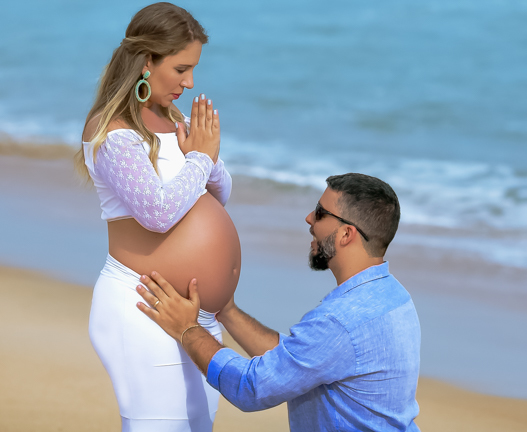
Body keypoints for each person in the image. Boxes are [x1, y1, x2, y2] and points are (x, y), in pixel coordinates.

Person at [135, 173, 421, 432]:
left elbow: (250, 387)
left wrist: (187, 329)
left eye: (321, 213)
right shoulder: (396, 298)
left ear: (347, 234)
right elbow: (300, 360)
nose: (309, 218)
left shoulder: (340, 321)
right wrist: (227, 311)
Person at [78, 2, 242, 432]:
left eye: (194, 70)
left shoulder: (175, 120)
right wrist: (200, 160)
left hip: (194, 314)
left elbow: (220, 193)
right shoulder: (112, 132)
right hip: (143, 305)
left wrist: (205, 159)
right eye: (181, 69)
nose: (190, 83)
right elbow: (157, 213)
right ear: (147, 62)